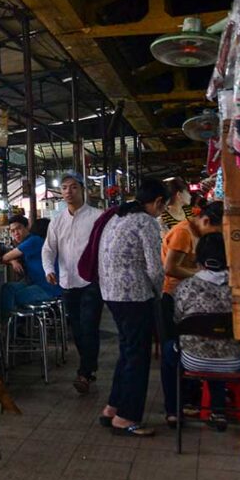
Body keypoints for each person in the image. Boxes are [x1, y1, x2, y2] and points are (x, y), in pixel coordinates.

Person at [97, 177, 169, 437]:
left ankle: (113, 408)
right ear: (158, 202)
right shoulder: (146, 222)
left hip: (112, 294)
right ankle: (126, 417)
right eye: (163, 207)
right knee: (137, 357)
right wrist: (162, 292)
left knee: (128, 352)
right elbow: (154, 268)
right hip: (134, 297)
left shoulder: (117, 216)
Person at [160, 201, 225, 425]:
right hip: (176, 295)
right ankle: (205, 406)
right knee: (214, 340)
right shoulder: (182, 233)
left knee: (180, 349)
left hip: (190, 302)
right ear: (205, 221)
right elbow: (170, 268)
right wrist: (202, 277)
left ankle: (177, 408)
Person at [42, 171, 102, 394]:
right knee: (77, 329)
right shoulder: (57, 222)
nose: (68, 191)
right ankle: (89, 367)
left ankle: (84, 372)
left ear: (82, 189)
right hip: (67, 282)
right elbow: (48, 249)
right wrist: (49, 269)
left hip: (92, 282)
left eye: (73, 187)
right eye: (65, 188)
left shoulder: (97, 217)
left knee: (89, 325)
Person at [174, 233, 240, 430]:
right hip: (234, 361)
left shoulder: (186, 287)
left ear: (199, 257)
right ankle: (218, 411)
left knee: (171, 353)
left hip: (194, 360)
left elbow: (178, 321)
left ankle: (177, 407)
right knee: (221, 344)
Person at [1, 216, 61, 311]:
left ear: (27, 227)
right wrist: (13, 261)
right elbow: (9, 257)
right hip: (35, 283)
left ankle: (15, 323)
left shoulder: (34, 240)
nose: (16, 233)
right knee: (8, 288)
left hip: (48, 288)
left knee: (16, 297)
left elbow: (5, 257)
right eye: (12, 231)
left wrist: (11, 260)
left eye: (19, 228)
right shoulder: (28, 242)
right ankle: (10, 323)